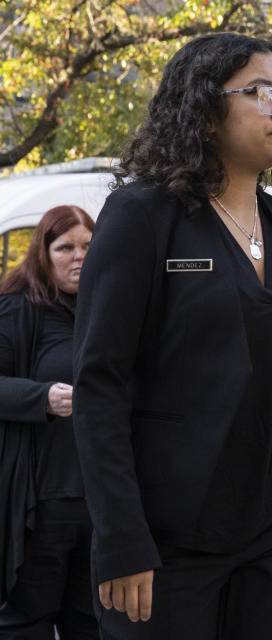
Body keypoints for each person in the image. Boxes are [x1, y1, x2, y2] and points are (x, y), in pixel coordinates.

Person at [72, 33, 272, 640]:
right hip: (167, 536)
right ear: (202, 110)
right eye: (262, 92)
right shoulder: (143, 215)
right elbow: (101, 385)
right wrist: (122, 536)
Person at [0, 206, 96, 639]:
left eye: (89, 247)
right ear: (43, 252)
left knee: (92, 625)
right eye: (65, 247)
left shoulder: (108, 311)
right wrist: (41, 398)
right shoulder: (15, 308)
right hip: (38, 503)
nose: (79, 257)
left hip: (100, 505)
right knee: (26, 623)